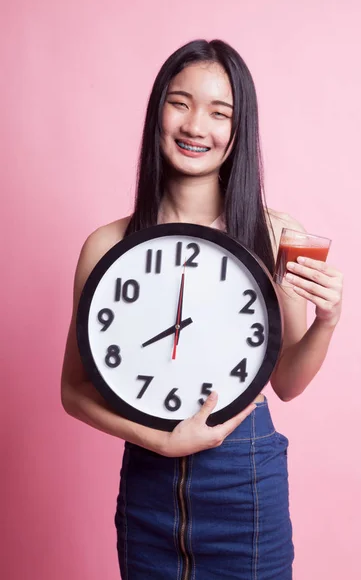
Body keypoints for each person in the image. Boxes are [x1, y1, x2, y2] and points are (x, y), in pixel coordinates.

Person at [61, 39, 343, 580]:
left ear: (240, 131)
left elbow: (286, 382)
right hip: (147, 486)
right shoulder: (107, 246)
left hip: (245, 485)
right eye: (180, 102)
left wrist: (327, 323)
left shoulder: (278, 234)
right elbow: (73, 391)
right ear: (157, 112)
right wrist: (161, 439)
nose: (196, 126)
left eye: (220, 112)